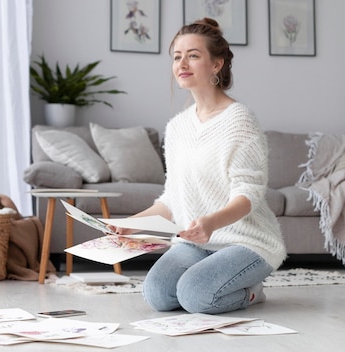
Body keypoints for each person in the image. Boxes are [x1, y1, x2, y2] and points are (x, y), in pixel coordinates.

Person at [109, 18, 286, 315]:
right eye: (177, 57)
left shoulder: (239, 120)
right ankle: (216, 280)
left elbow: (249, 195)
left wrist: (211, 223)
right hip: (195, 243)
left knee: (195, 296)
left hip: (245, 241)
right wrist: (129, 224)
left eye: (193, 55)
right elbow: (172, 201)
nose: (182, 63)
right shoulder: (177, 127)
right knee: (158, 295)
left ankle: (253, 291)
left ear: (216, 65)